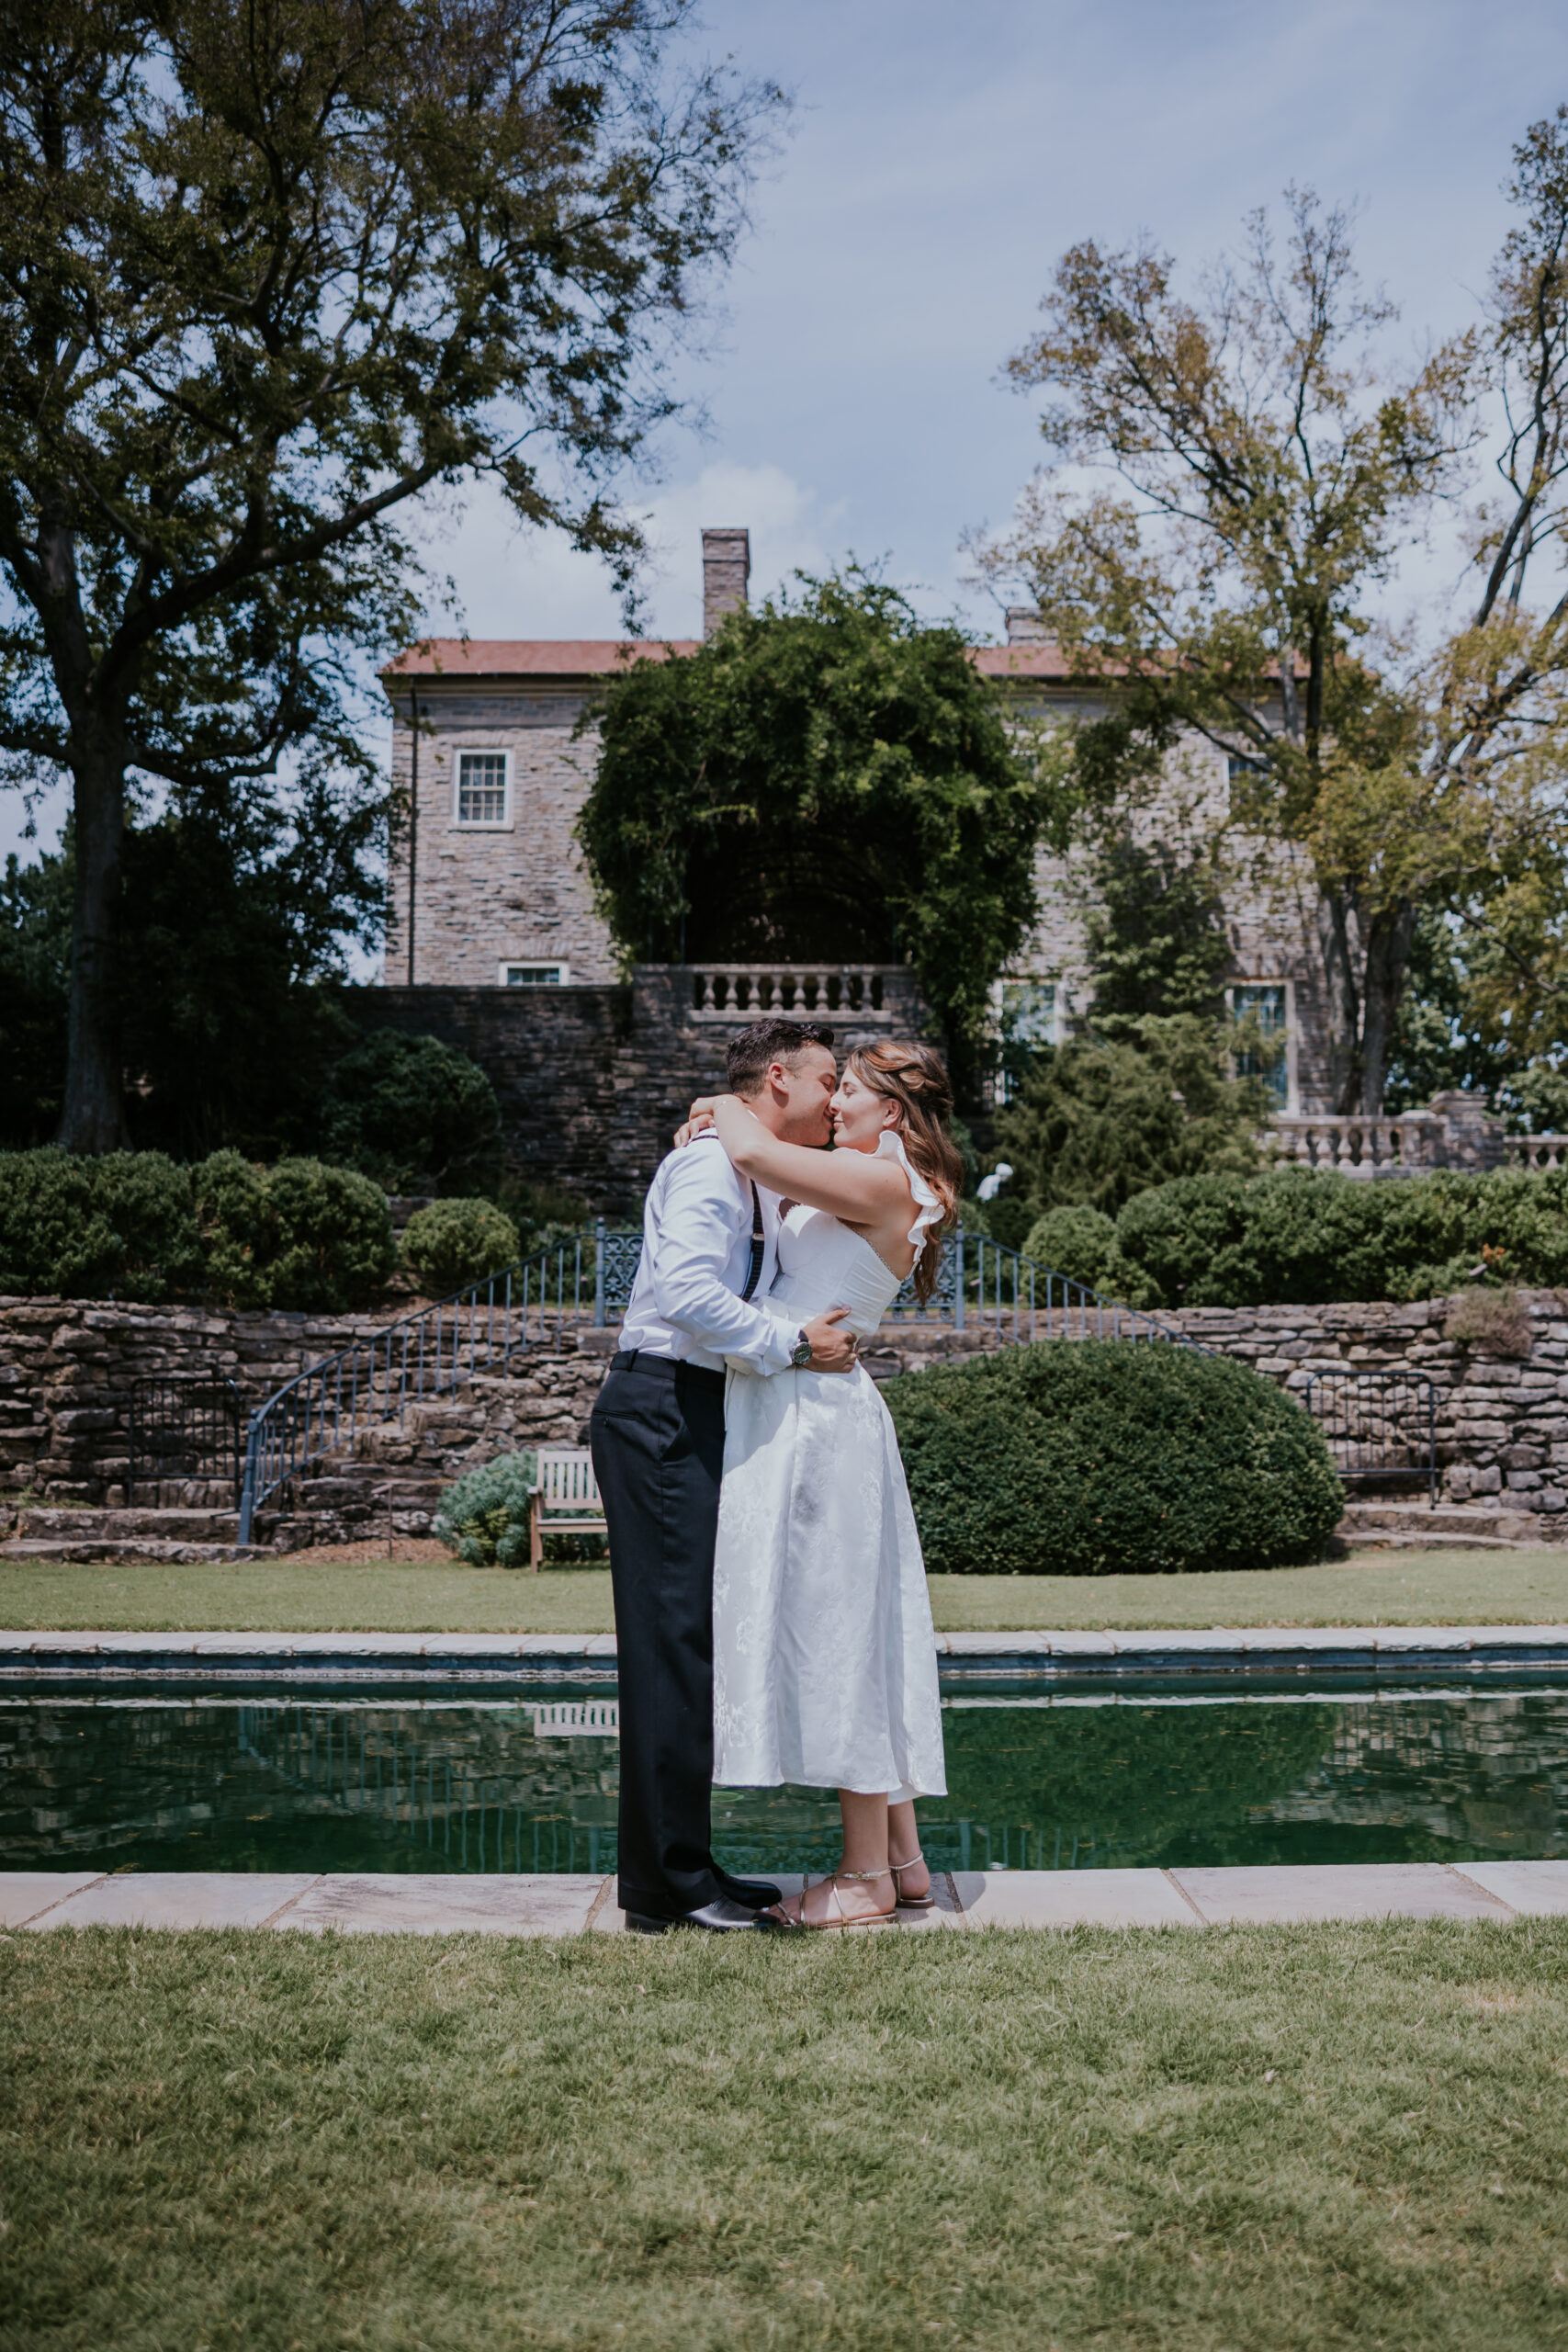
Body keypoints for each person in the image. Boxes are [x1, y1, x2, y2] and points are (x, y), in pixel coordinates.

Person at [681, 1042, 961, 1928]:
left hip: (816, 1419)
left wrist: (716, 1106)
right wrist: (724, 1115)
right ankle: (905, 1862)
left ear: (894, 1112)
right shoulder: (851, 1174)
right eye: (832, 1086)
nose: (833, 1102)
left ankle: (862, 1878)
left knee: (838, 1631)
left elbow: (758, 1153)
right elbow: (763, 1167)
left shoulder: (887, 1185)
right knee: (854, 1630)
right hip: (794, 1403)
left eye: (849, 1090)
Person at [589, 1018, 860, 1934]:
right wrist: (792, 1344)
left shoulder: (743, 1168)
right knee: (671, 1646)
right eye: (827, 1080)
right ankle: (671, 1884)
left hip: (688, 1409)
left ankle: (678, 1869)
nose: (834, 1097)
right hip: (660, 1407)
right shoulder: (708, 1170)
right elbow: (686, 1296)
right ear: (779, 1077)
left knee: (684, 1642)